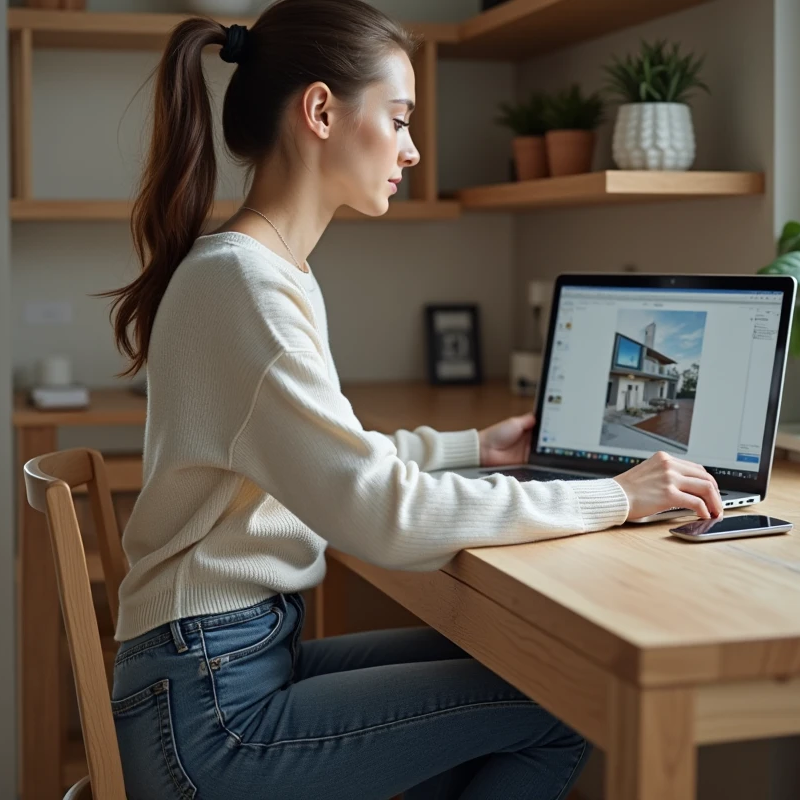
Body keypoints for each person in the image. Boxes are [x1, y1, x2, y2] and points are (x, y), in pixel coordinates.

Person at [102, 1, 723, 797]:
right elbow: (380, 513)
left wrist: (474, 450)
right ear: (321, 111)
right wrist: (609, 497)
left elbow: (326, 458)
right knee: (570, 701)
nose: (412, 147)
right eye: (397, 119)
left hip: (223, 665)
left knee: (538, 676)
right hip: (209, 713)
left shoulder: (261, 271)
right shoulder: (245, 286)